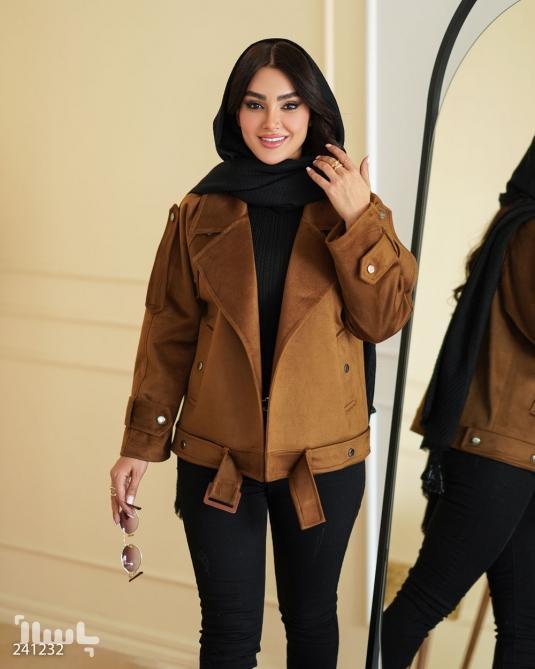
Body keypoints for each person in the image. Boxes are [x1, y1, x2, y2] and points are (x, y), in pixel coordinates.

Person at [109, 37, 417, 669]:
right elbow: (167, 334)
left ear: (314, 112)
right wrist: (141, 443)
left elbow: (384, 321)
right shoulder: (198, 210)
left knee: (311, 621)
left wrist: (359, 220)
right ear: (235, 112)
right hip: (218, 458)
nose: (271, 122)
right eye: (254, 104)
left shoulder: (353, 206)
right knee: (227, 635)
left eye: (289, 104)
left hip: (322, 463)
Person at [381, 136, 535, 669]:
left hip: (517, 452)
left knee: (525, 627)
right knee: (425, 600)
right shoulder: (530, 233)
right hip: (496, 453)